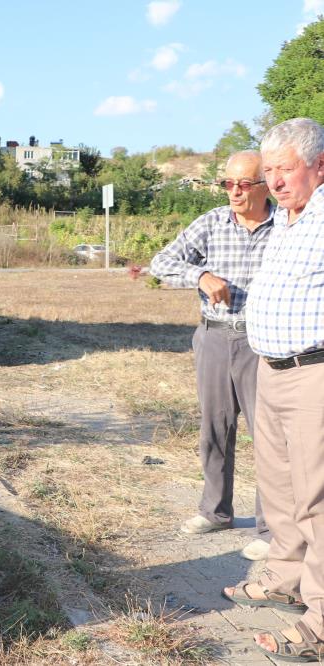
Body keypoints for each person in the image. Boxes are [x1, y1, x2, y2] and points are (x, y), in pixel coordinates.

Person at [221, 118, 324, 662]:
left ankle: (321, 621)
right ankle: (285, 578)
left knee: (317, 497)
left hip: (315, 372)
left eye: (286, 170)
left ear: (320, 166)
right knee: (280, 488)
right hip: (273, 369)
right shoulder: (288, 219)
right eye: (271, 173)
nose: (276, 182)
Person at [150, 150, 274, 561]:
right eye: (228, 183)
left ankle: (271, 529)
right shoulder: (211, 223)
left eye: (244, 184)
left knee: (270, 438)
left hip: (265, 344)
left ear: (265, 184)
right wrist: (200, 276)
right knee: (215, 429)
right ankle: (215, 512)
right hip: (215, 338)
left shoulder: (288, 226)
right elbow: (161, 262)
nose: (234, 192)